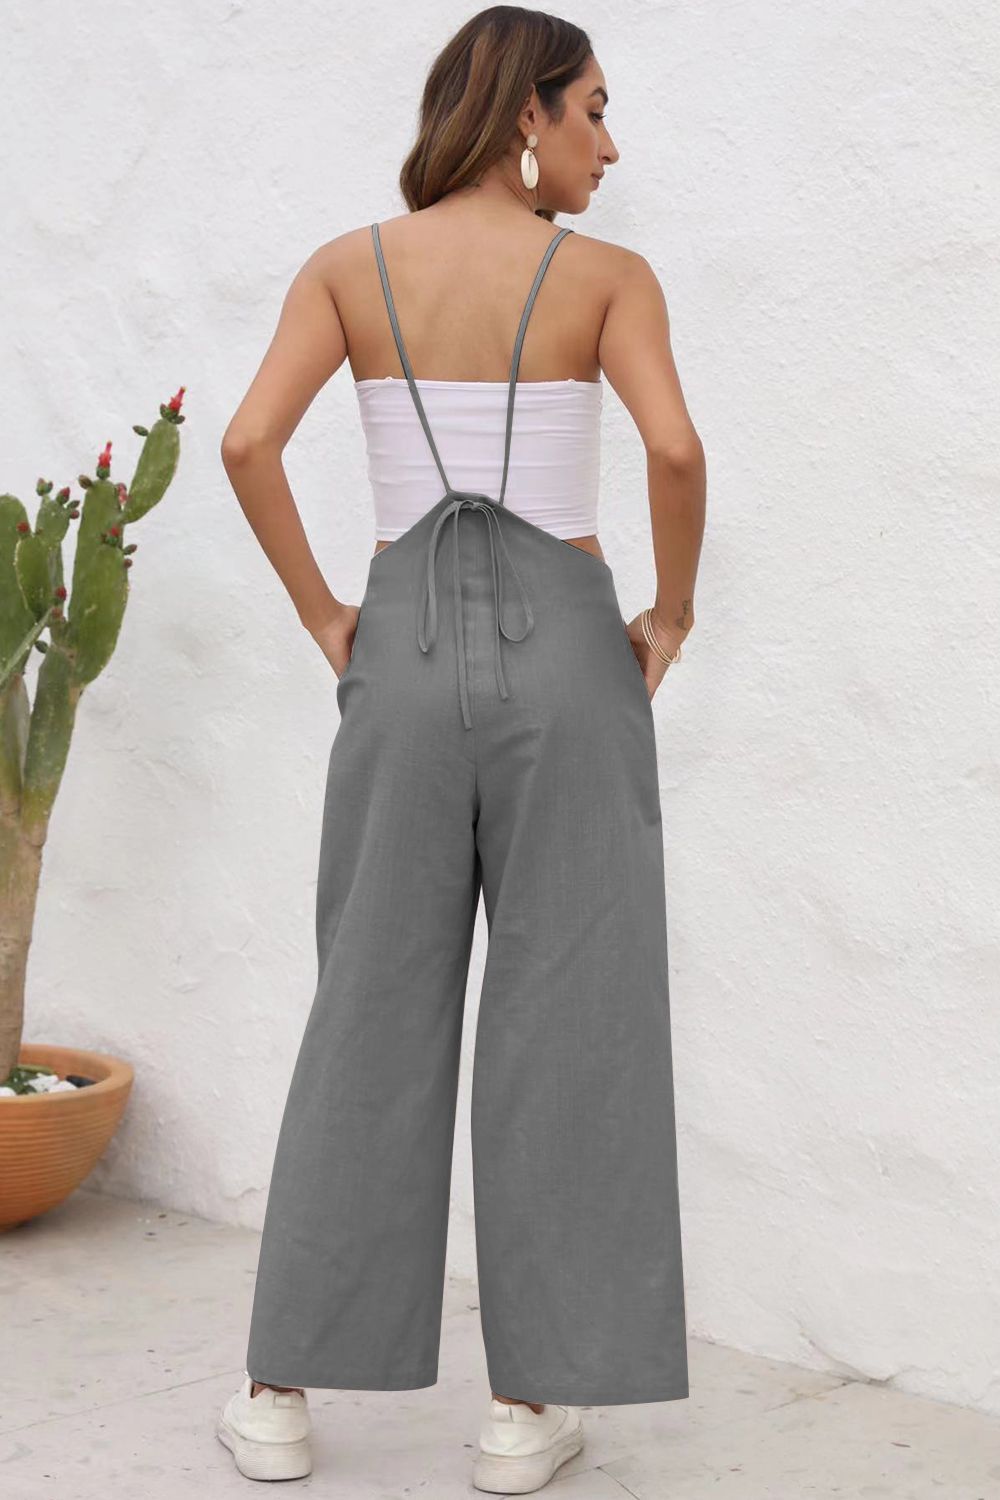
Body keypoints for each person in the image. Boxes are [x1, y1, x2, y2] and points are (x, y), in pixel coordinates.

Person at [217, 6, 705, 1493]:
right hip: (570, 656)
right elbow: (675, 451)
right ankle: (522, 1409)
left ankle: (278, 1394)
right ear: (525, 117)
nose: (611, 143)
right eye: (594, 109)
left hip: (403, 653)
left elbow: (246, 442)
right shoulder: (606, 279)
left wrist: (329, 618)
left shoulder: (347, 266)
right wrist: (673, 613)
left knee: (368, 999)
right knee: (571, 1019)